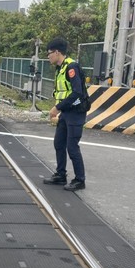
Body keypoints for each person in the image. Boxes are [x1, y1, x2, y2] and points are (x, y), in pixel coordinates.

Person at [43, 38, 90, 191]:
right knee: (59, 143)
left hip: (75, 113)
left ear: (57, 52)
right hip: (66, 112)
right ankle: (60, 175)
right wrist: (59, 108)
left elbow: (77, 93)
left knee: (72, 147)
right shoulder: (60, 68)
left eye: (49, 53)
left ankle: (79, 180)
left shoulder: (71, 67)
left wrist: (57, 107)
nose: (48, 56)